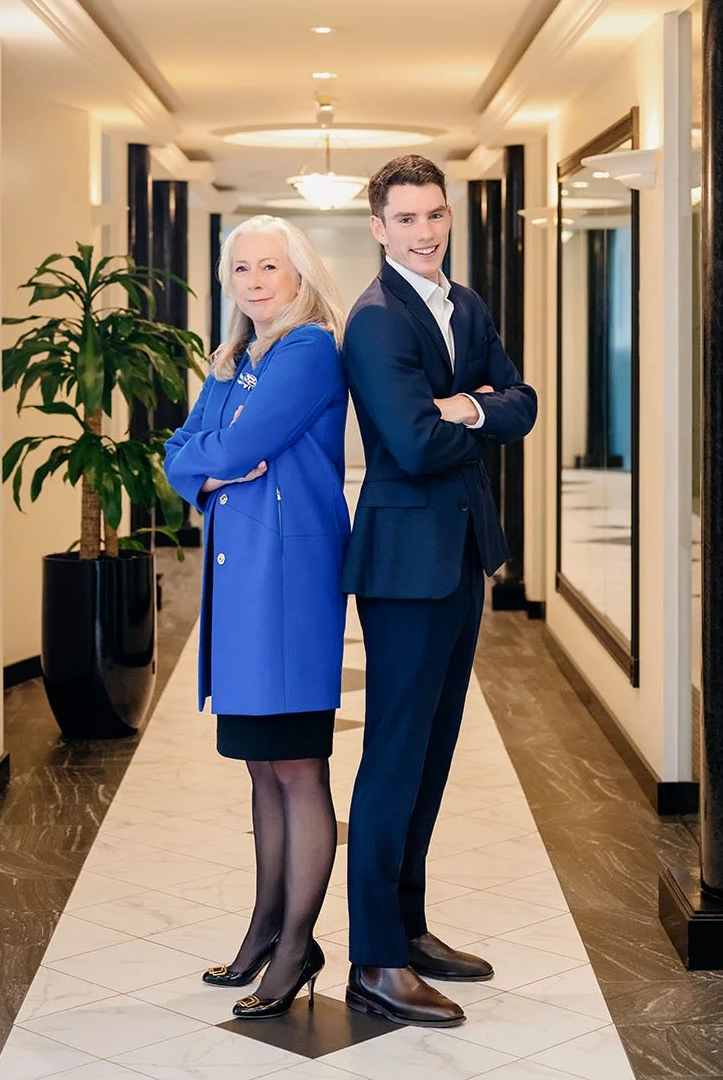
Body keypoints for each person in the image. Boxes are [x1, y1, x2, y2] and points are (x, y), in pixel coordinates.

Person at [341, 155, 537, 1027]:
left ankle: (410, 928)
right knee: (392, 757)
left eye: (435, 216)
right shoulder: (375, 322)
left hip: (460, 557)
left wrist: (465, 406)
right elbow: (416, 448)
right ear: (378, 228)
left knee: (434, 752)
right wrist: (472, 408)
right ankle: (374, 961)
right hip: (403, 568)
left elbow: (525, 403)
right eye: (407, 220)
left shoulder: (468, 305)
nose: (424, 233)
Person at [163, 215, 349, 1020]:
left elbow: (232, 450)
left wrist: (214, 459)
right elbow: (185, 449)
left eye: (270, 266)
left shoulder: (308, 351)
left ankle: (298, 942)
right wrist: (208, 464)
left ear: (299, 275)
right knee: (259, 766)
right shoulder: (234, 358)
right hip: (243, 588)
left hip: (289, 581)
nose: (255, 281)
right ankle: (265, 925)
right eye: (242, 269)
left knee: (298, 766)